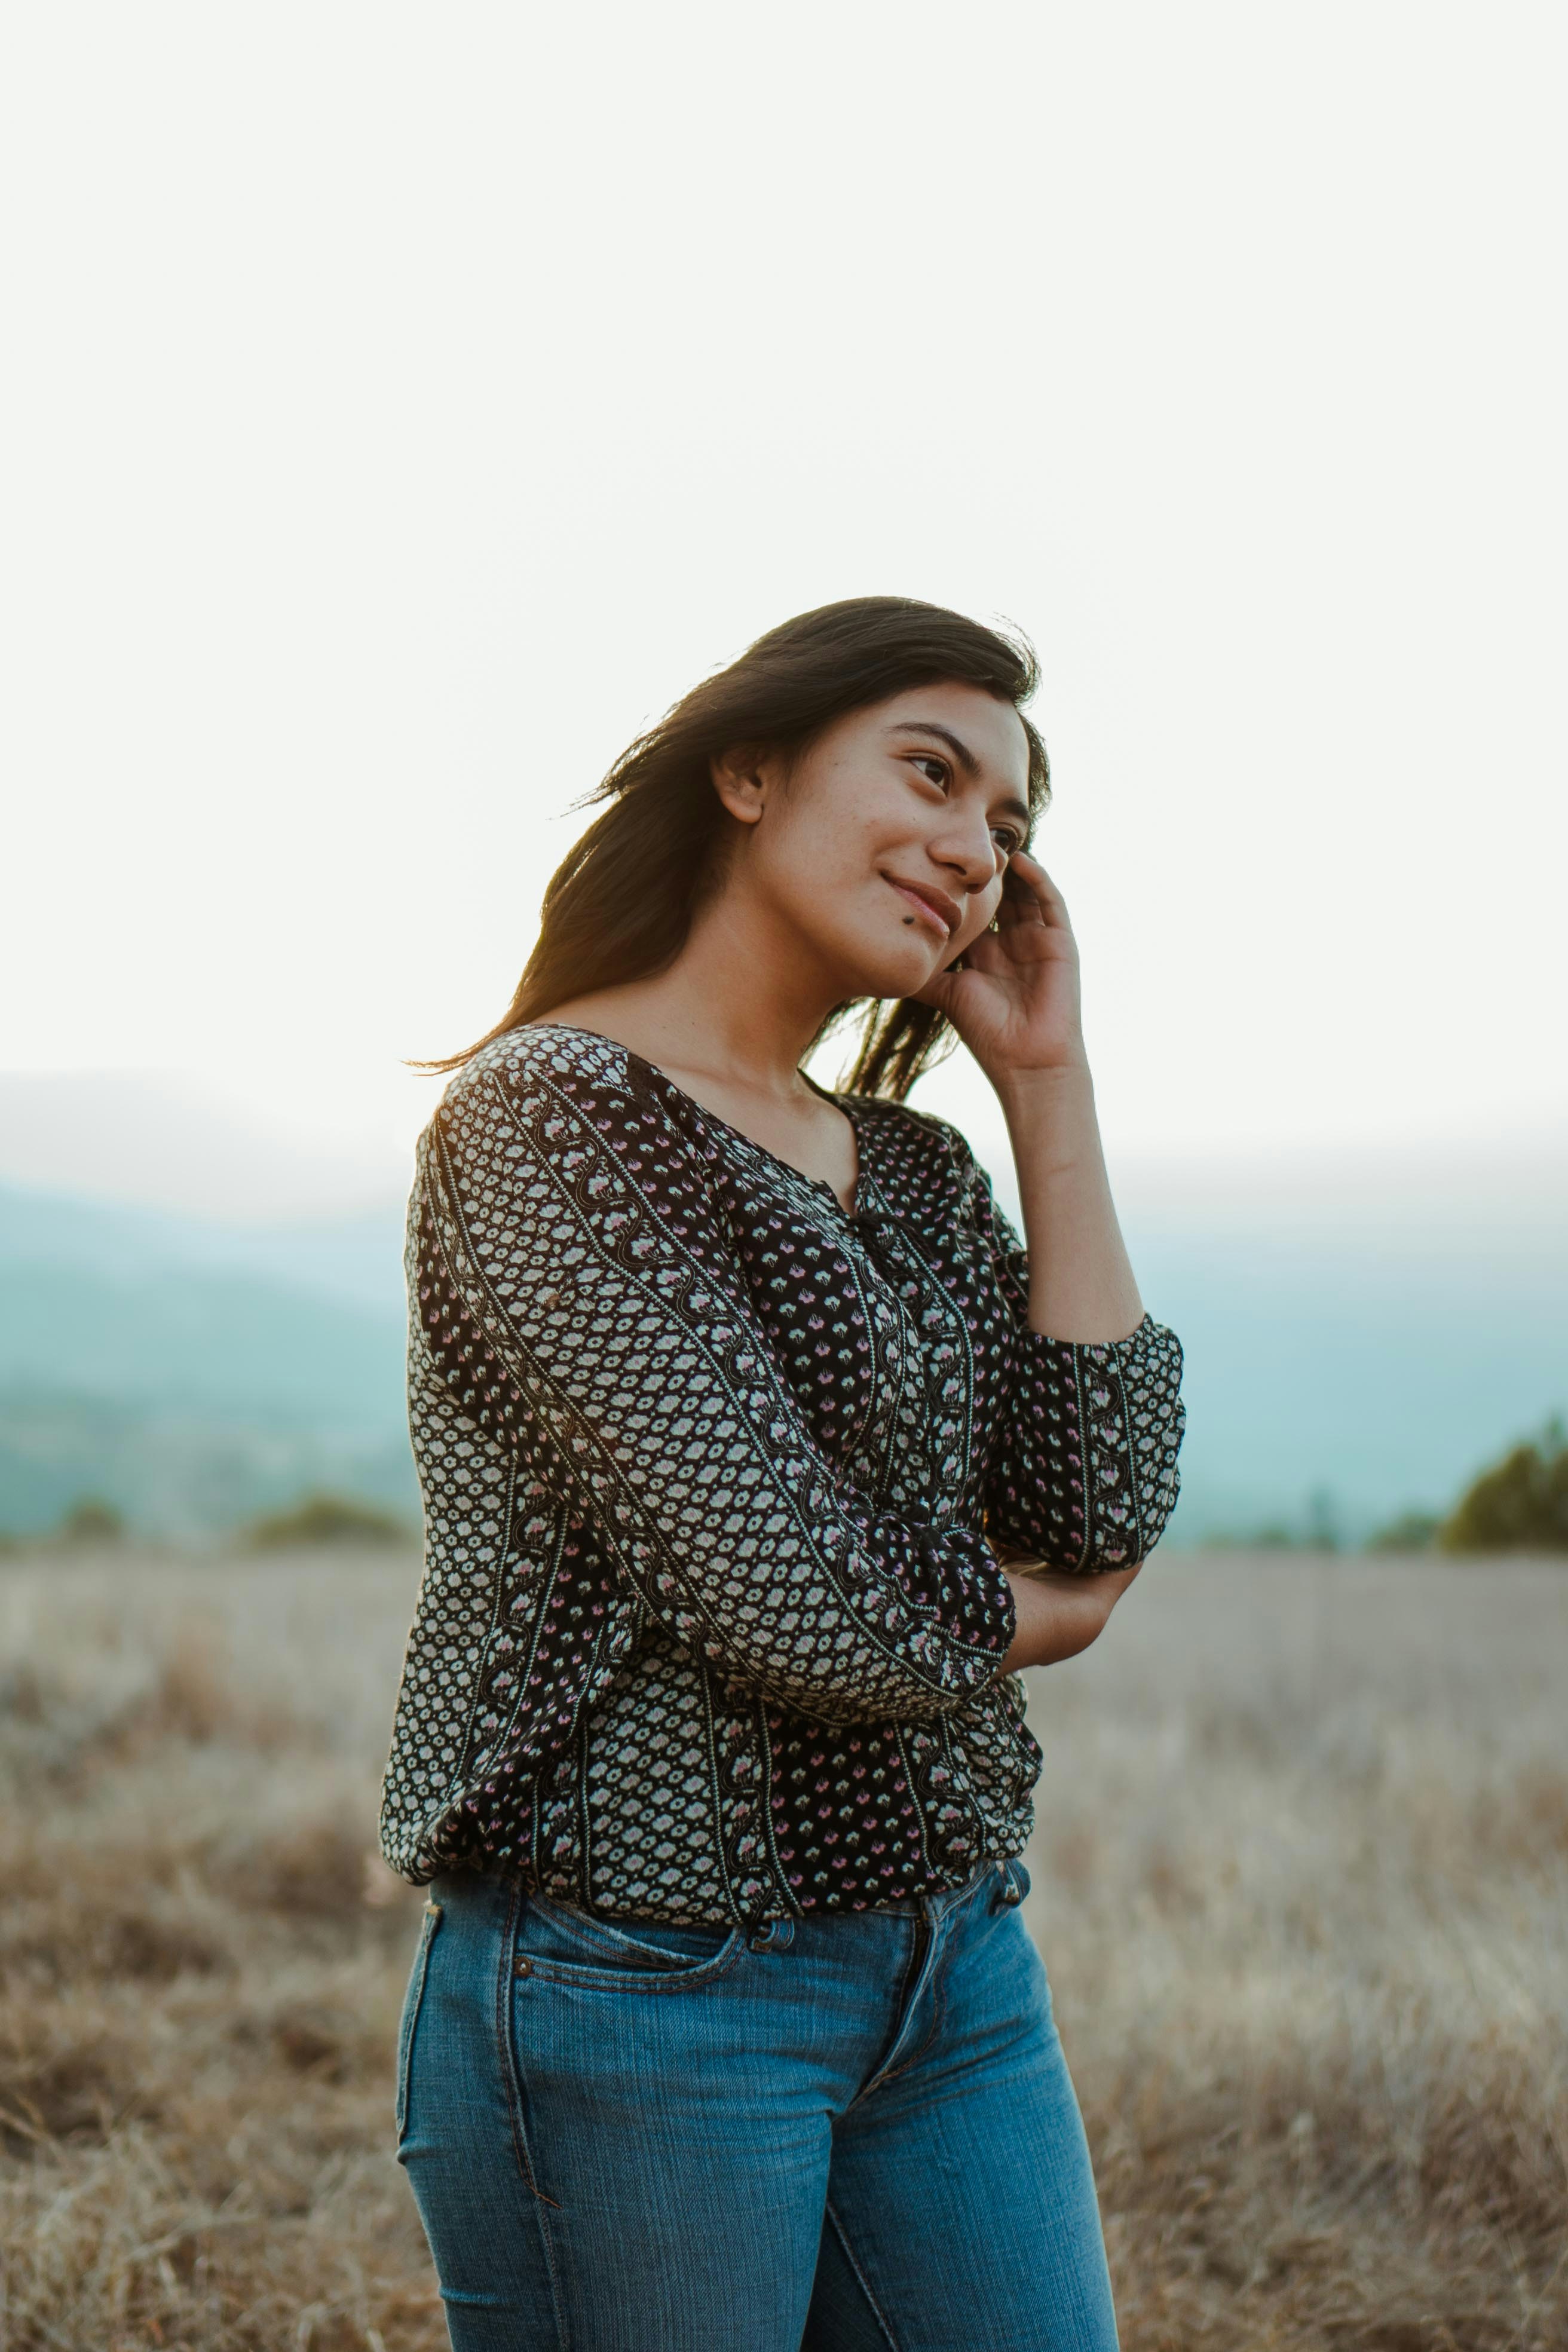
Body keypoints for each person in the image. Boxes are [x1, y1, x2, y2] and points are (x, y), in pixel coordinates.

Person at [381, 596, 1185, 2350]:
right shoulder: (546, 1119)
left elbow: (1098, 1501)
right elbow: (795, 1591)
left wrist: (1047, 1085)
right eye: (932, 771)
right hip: (639, 1992)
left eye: (1009, 825)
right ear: (746, 768)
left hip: (952, 1963)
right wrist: (1044, 1625)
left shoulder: (908, 1166)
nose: (975, 849)